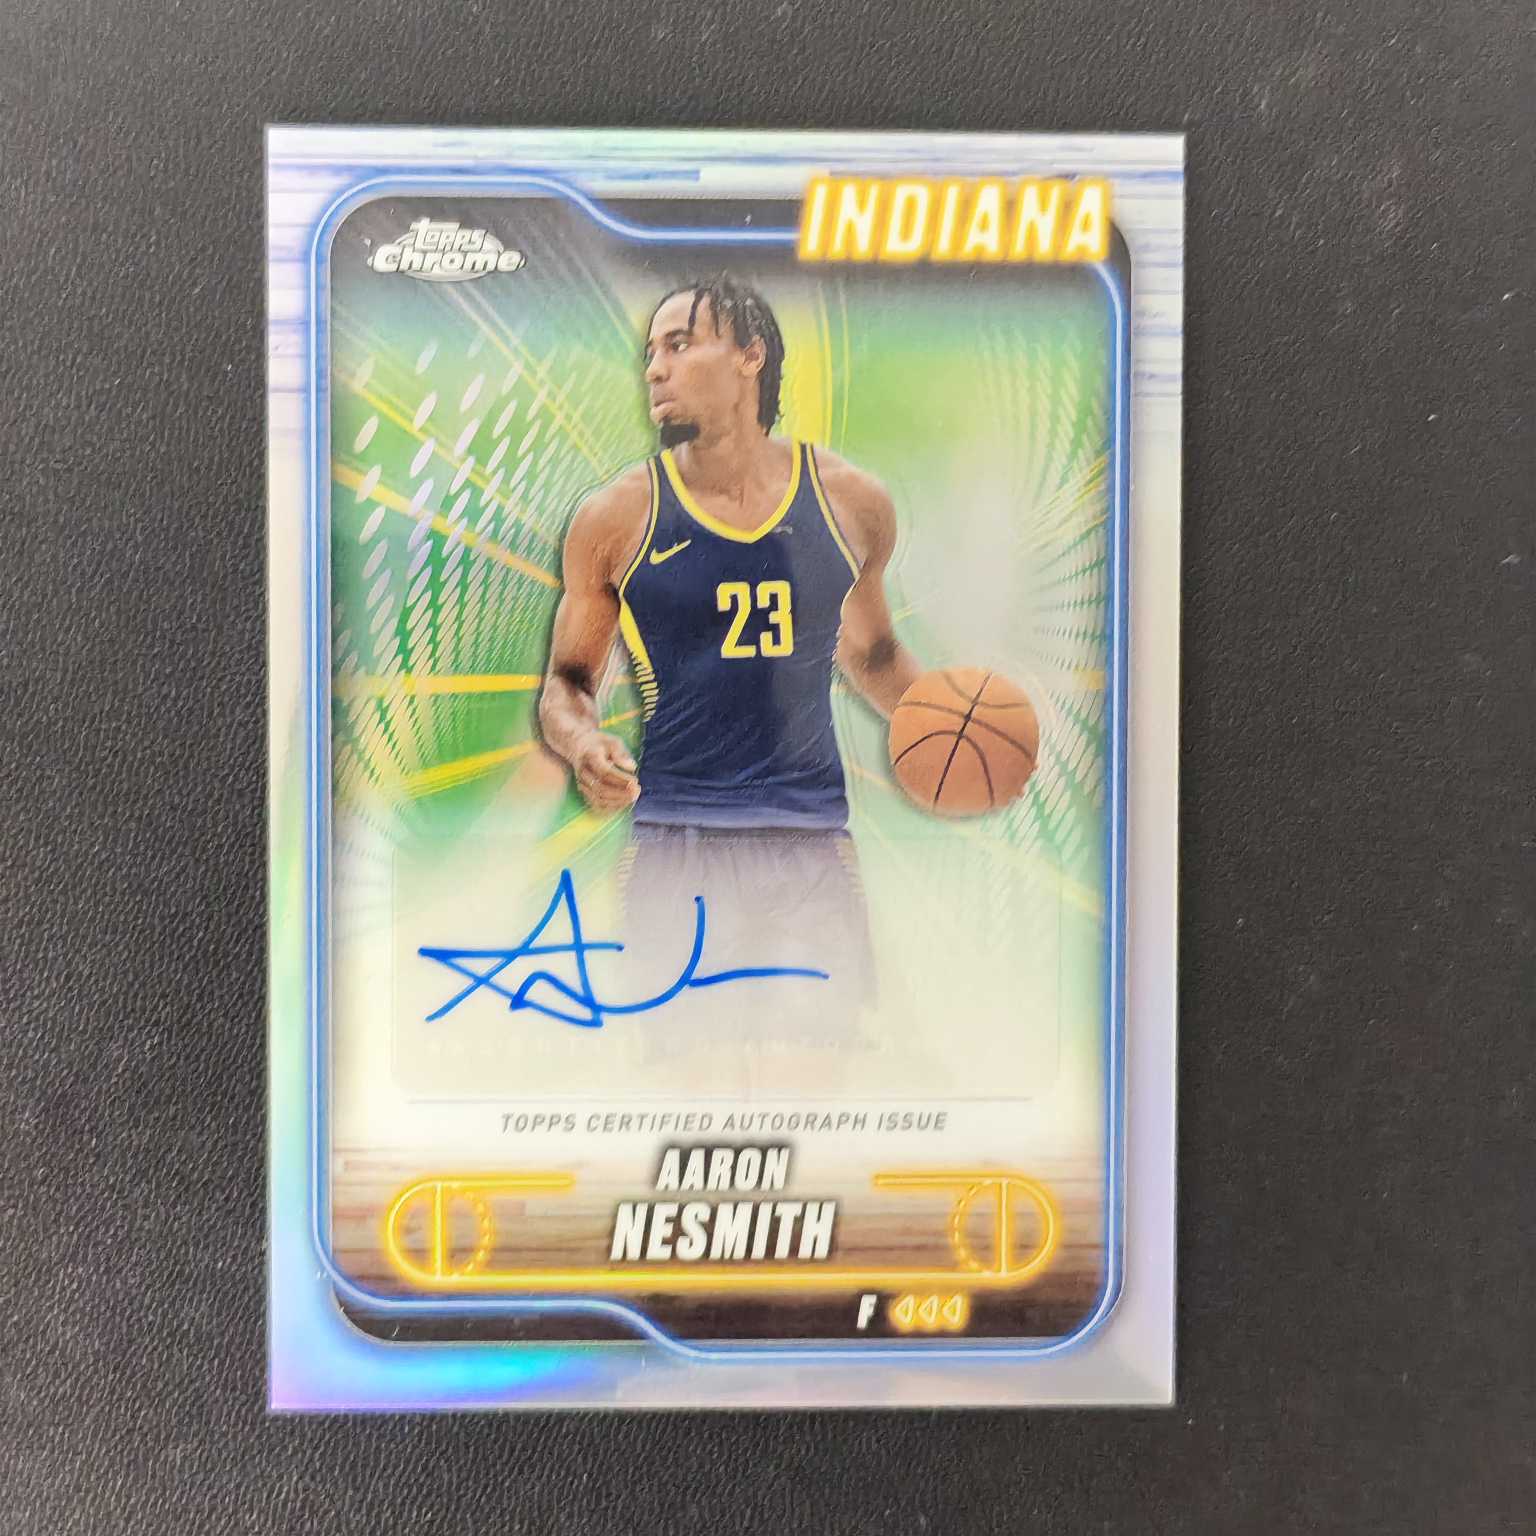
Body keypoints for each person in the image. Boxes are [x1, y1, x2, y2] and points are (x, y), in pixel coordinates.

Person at [538, 275, 921, 1059]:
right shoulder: (616, 515)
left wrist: (946, 727)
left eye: (680, 345)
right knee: (691, 1092)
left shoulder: (851, 502)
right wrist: (582, 744)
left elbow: (873, 656)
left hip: (809, 840)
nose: (655, 368)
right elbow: (567, 685)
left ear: (750, 356)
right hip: (677, 840)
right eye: (650, 352)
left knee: (813, 1087)